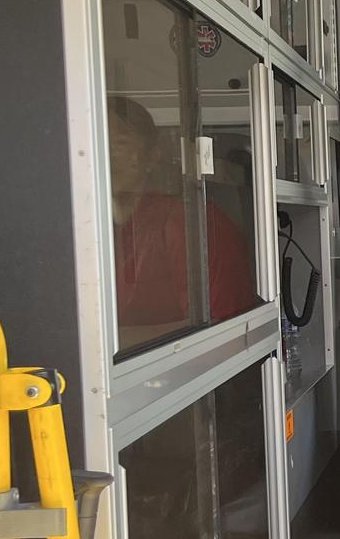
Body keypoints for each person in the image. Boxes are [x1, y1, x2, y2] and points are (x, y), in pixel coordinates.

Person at [107, 96, 258, 351]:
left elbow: (221, 329)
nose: (107, 155)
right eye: (95, 143)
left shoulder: (191, 224)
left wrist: (103, 345)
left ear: (152, 157)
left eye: (119, 143)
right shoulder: (86, 231)